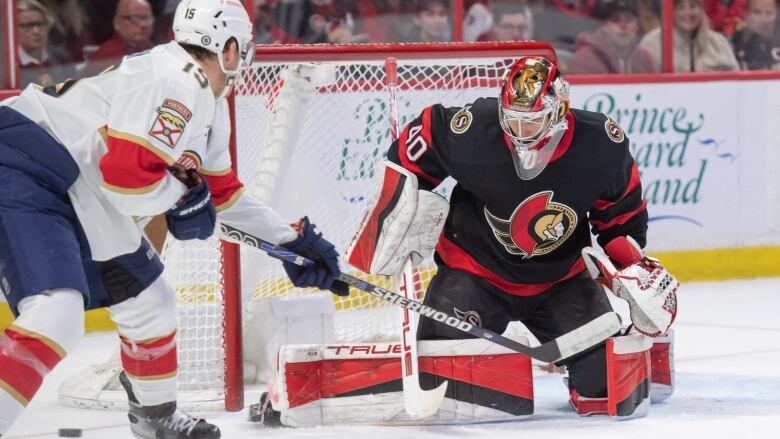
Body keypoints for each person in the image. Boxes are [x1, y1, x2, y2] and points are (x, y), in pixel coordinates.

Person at [0, 0, 345, 438]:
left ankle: (155, 419)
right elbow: (126, 179)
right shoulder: (177, 81)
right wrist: (181, 197)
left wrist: (290, 245)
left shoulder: (208, 104)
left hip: (77, 185)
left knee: (152, 305)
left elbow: (220, 197)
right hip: (26, 161)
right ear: (230, 47)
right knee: (57, 313)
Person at [346, 56, 679, 417]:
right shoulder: (475, 131)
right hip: (474, 275)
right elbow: (422, 138)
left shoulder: (600, 144)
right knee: (447, 387)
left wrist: (632, 270)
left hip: (561, 282)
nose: (521, 132)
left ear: (559, 108)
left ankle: (584, 365)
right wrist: (401, 204)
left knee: (606, 391)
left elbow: (620, 218)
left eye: (531, 121)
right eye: (514, 120)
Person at [639, 0, 739, 71]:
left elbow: (735, 81)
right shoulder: (651, 43)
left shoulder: (718, 42)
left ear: (701, 9)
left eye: (693, 6)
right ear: (671, 12)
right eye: (681, 8)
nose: (688, 13)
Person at [568, 0, 657, 74]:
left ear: (637, 26)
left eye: (629, 20)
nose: (623, 25)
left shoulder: (645, 59)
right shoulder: (585, 59)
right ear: (605, 27)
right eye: (616, 20)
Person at [83, 0, 156, 77]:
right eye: (135, 18)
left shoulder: (157, 51)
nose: (143, 24)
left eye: (147, 18)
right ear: (117, 22)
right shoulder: (105, 57)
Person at [16, 0, 75, 87]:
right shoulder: (10, 67)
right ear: (14, 29)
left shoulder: (61, 58)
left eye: (39, 24)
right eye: (28, 26)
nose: (36, 31)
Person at [732, 0, 780, 70]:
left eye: (769, 13)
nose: (764, 19)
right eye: (757, 13)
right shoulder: (735, 43)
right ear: (747, 13)